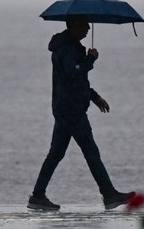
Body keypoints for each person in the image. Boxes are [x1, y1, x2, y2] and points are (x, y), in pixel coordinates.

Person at [28, 14, 134, 211]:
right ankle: (109, 194)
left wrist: (94, 97)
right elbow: (74, 74)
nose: (88, 28)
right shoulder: (67, 48)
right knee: (91, 153)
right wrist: (90, 60)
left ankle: (37, 196)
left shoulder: (69, 46)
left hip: (65, 108)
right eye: (84, 25)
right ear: (73, 25)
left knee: (56, 154)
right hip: (71, 110)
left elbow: (77, 81)